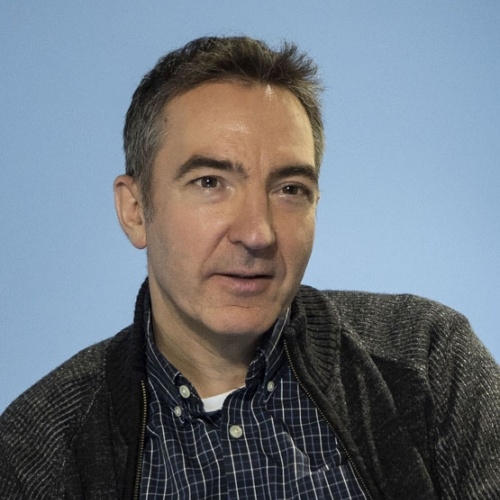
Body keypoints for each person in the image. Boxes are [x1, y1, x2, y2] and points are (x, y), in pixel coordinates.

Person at [0, 36, 499, 500]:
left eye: (290, 190)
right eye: (209, 182)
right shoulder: (39, 450)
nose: (258, 233)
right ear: (135, 211)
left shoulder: (427, 361)